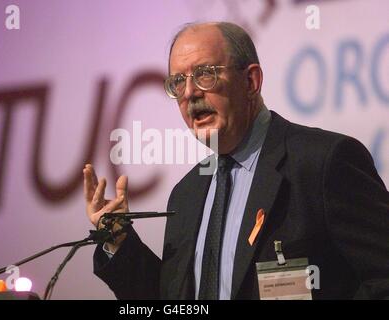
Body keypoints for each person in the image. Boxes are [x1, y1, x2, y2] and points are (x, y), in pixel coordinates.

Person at [83, 22, 389, 300]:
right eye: (178, 81)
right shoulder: (187, 193)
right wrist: (119, 241)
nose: (189, 93)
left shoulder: (322, 163)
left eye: (205, 74)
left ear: (251, 81)